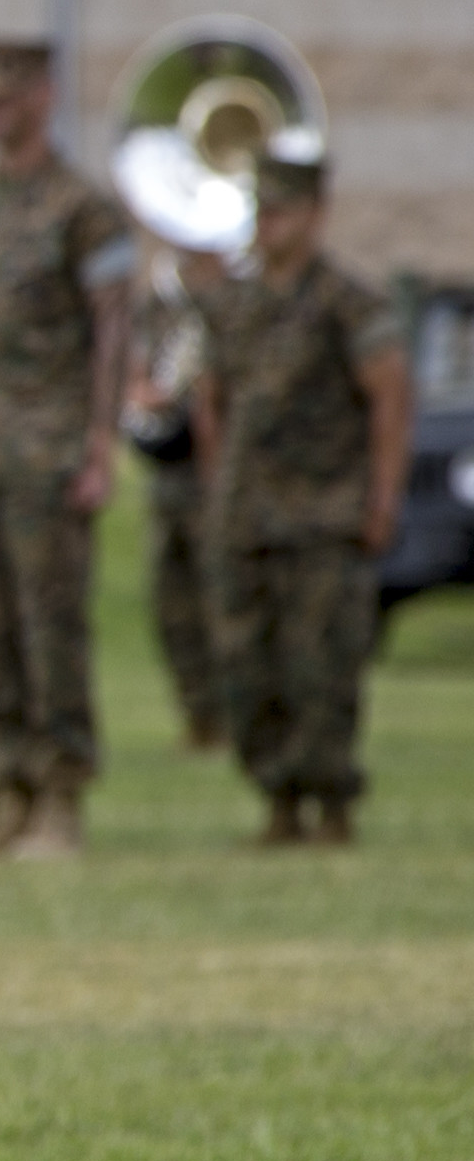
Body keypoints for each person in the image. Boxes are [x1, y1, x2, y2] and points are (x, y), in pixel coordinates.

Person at [0, 37, 139, 860]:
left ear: (44, 97)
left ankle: (59, 799)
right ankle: (5, 791)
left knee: (47, 630)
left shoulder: (80, 209)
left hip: (45, 452)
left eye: (6, 99)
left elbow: (112, 328)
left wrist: (98, 442)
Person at [194, 149, 410, 845]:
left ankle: (332, 803)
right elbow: (209, 399)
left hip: (323, 511)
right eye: (261, 211)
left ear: (315, 214)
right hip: (247, 513)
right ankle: (279, 799)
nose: (269, 225)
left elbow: (390, 397)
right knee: (247, 664)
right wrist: (214, 487)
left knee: (322, 665)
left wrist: (381, 498)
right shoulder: (236, 304)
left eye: (282, 210)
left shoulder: (349, 302)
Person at [127, 246, 227, 750]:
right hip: (168, 474)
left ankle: (234, 716)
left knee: (222, 599)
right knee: (173, 602)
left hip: (221, 473)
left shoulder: (234, 298)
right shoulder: (161, 305)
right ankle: (199, 715)